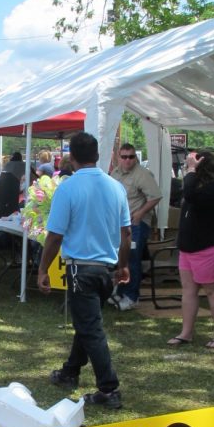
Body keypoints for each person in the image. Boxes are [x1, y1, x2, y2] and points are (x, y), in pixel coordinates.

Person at [38, 131, 131, 410]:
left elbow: (54, 236)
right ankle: (70, 371)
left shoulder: (68, 187)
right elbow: (126, 234)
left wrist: (42, 269)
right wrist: (123, 265)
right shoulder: (116, 187)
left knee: (91, 328)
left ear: (72, 157)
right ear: (98, 156)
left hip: (81, 268)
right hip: (105, 269)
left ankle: (108, 388)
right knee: (86, 323)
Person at [166, 149, 214, 349]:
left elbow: (191, 194)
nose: (189, 165)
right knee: (188, 291)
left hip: (209, 247)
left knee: (213, 292)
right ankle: (186, 333)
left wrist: (192, 171)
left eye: (193, 162)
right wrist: (191, 173)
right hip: (189, 247)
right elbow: (184, 192)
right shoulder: (195, 183)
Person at [108, 142, 161, 311]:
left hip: (136, 224)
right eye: (124, 157)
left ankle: (132, 297)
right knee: (121, 259)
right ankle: (121, 291)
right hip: (120, 224)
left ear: (135, 157)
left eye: (131, 156)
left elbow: (155, 196)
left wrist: (140, 214)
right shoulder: (115, 173)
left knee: (132, 258)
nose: (127, 160)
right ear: (118, 157)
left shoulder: (142, 174)